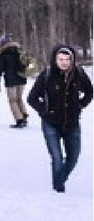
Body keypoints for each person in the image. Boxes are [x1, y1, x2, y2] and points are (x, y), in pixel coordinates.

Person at [27, 45, 93, 193]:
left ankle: (59, 181)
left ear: (72, 60)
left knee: (73, 157)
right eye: (61, 59)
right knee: (57, 158)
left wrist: (80, 105)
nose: (64, 62)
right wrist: (44, 111)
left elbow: (89, 92)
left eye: (67, 59)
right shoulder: (47, 75)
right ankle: (58, 190)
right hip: (51, 124)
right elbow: (32, 98)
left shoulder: (79, 74)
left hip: (72, 124)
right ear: (55, 60)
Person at [0, 34, 30, 128]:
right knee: (19, 98)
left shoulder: (2, 54)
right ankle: (24, 114)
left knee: (12, 100)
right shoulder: (19, 50)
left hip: (11, 80)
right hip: (22, 78)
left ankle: (19, 119)